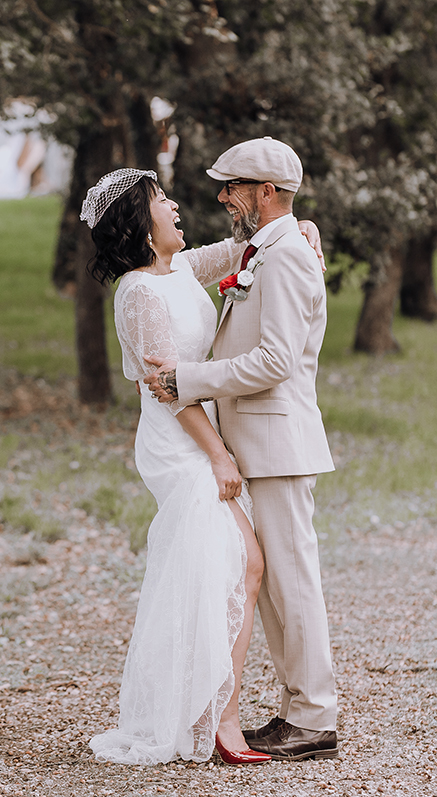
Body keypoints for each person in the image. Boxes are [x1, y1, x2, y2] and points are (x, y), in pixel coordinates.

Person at [142, 137, 339, 762]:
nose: (223, 197)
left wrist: (188, 380)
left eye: (232, 187)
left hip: (278, 441)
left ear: (266, 192)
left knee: (292, 584)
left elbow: (277, 360)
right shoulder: (266, 249)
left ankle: (313, 717)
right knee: (277, 586)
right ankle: (298, 713)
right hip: (256, 440)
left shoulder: (286, 258)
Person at [81, 167, 276, 766]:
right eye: (162, 200)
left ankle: (205, 711)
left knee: (219, 570)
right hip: (179, 438)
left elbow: (244, 247)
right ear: (142, 224)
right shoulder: (138, 293)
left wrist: (302, 228)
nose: (175, 207)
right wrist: (217, 454)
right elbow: (165, 386)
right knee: (245, 563)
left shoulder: (181, 270)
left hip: (201, 433)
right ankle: (221, 719)